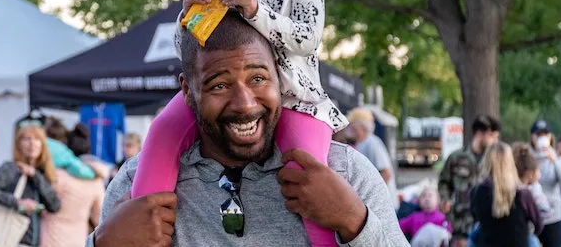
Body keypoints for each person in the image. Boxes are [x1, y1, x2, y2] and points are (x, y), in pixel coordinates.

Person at [133, 0, 348, 245]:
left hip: (294, 97)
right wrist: (187, 16)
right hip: (220, 91)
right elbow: (188, 49)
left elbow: (308, 38)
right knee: (161, 131)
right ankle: (142, 228)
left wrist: (258, 12)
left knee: (307, 173)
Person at [88, 12, 407, 246]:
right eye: (219, 85)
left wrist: (354, 221)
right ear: (187, 91)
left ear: (279, 77)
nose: (244, 104)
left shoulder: (345, 172)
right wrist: (103, 244)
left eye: (257, 78)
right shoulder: (136, 184)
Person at [0, 124, 61, 247]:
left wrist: (35, 175)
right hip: (11, 239)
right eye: (27, 139)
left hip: (32, 242)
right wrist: (17, 203)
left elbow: (55, 205)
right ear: (18, 144)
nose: (32, 143)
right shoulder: (12, 168)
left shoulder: (41, 174)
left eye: (37, 139)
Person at [470, 142, 542, 247]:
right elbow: (538, 224)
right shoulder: (523, 194)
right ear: (510, 162)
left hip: (488, 243)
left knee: (474, 235)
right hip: (518, 243)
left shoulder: (476, 191)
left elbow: (475, 217)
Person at [438, 115, 500, 236]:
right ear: (479, 134)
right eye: (492, 136)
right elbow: (444, 182)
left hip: (487, 223)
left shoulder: (496, 161)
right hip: (459, 223)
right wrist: (445, 199)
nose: (495, 141)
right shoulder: (456, 157)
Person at [40, 143, 107, 247]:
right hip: (78, 237)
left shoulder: (59, 176)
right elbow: (99, 217)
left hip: (51, 234)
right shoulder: (97, 182)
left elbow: (43, 202)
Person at [345, 107, 398, 209]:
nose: (349, 129)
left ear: (363, 127)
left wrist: (370, 196)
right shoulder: (360, 143)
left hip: (384, 206)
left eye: (353, 126)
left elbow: (386, 174)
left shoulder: (372, 143)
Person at [529, 120, 561, 247]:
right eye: (538, 135)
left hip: (553, 215)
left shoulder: (558, 159)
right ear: (532, 137)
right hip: (532, 215)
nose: (542, 138)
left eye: (545, 135)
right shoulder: (527, 157)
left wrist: (554, 160)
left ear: (550, 137)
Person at [512, 143, 551, 246]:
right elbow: (544, 212)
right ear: (530, 174)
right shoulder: (531, 191)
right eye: (538, 171)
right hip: (526, 235)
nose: (540, 174)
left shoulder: (511, 187)